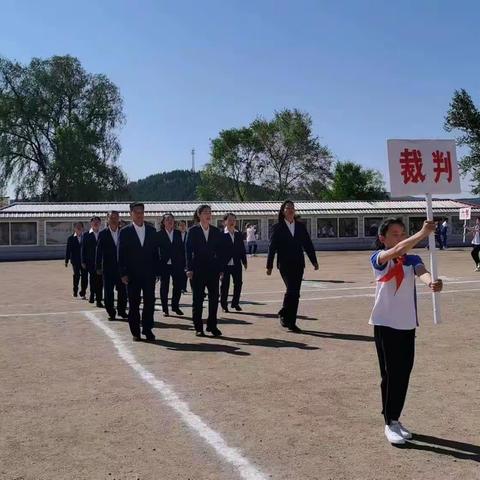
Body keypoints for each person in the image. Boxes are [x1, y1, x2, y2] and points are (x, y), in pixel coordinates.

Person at [370, 218, 443, 445]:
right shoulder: (379, 259)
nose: (400, 238)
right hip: (385, 324)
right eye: (394, 234)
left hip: (407, 325)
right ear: (383, 238)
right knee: (390, 375)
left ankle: (395, 418)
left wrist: (431, 282)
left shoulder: (412, 259)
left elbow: (422, 271)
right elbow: (398, 250)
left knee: (403, 374)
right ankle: (389, 421)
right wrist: (422, 234)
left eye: (402, 233)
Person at [266, 200, 318, 333]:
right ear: (283, 211)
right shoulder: (277, 227)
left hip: (299, 263)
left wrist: (314, 261)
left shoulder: (300, 226)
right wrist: (269, 265)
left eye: (292, 208)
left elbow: (307, 244)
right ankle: (285, 313)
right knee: (291, 290)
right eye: (288, 208)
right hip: (284, 264)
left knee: (295, 293)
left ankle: (290, 321)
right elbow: (272, 247)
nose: (290, 210)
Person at [118, 202, 161, 342]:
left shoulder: (151, 230)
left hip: (149, 274)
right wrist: (123, 273)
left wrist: (157, 271)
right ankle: (135, 331)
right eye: (136, 211)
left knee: (150, 302)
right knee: (134, 304)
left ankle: (148, 329)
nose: (139, 214)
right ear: (131, 214)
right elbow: (121, 254)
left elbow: (155, 253)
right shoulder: (125, 232)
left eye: (141, 211)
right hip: (132, 275)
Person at [185, 205, 225, 337]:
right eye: (205, 212)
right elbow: (188, 251)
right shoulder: (193, 231)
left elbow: (220, 251)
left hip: (213, 270)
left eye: (210, 212)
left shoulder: (215, 231)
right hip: (197, 270)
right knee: (198, 300)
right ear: (199, 215)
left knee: (214, 299)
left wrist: (220, 269)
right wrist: (189, 268)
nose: (208, 215)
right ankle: (198, 327)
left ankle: (212, 326)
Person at [95, 211, 128, 321]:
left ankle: (122, 311)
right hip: (108, 268)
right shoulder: (103, 233)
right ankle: (111, 312)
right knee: (108, 292)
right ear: (107, 219)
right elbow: (98, 251)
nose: (114, 219)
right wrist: (98, 266)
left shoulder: (124, 232)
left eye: (116, 217)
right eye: (112, 218)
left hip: (121, 268)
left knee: (123, 291)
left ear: (119, 219)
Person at [157, 213, 185, 317]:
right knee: (164, 287)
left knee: (177, 286)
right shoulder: (159, 234)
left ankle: (175, 306)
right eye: (167, 219)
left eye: (172, 219)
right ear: (163, 222)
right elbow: (156, 251)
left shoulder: (178, 233)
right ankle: (165, 309)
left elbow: (182, 250)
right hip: (164, 264)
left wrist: (184, 264)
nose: (170, 221)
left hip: (176, 264)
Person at [221, 212, 247, 313]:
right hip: (225, 265)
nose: (232, 222)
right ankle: (224, 305)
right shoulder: (221, 234)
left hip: (236, 263)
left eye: (233, 220)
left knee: (238, 284)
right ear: (225, 222)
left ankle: (235, 303)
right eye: (230, 220)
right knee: (224, 286)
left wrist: (244, 261)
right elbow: (218, 251)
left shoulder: (238, 234)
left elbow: (242, 249)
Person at [82, 216, 104, 307]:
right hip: (90, 261)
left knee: (100, 281)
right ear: (91, 223)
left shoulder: (103, 234)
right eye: (94, 222)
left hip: (101, 262)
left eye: (97, 222)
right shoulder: (86, 235)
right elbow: (83, 249)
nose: (96, 223)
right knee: (92, 279)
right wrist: (83, 261)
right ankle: (92, 294)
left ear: (100, 223)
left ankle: (99, 300)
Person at [65, 222, 88, 298]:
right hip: (75, 261)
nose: (78, 228)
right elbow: (68, 250)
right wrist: (66, 260)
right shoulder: (71, 238)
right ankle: (75, 290)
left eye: (80, 227)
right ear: (74, 228)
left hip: (84, 261)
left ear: (82, 228)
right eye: (77, 227)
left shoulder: (85, 237)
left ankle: (83, 292)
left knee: (84, 277)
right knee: (76, 275)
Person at [177, 220, 188, 293]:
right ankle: (180, 287)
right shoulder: (175, 234)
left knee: (185, 273)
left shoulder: (188, 234)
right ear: (178, 226)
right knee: (179, 273)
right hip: (178, 257)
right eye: (181, 225)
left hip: (186, 257)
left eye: (183, 225)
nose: (182, 226)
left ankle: (184, 287)